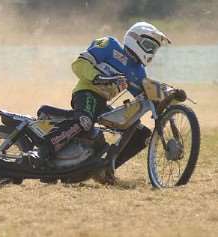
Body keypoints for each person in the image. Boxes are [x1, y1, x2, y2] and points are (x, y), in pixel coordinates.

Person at [37, 22, 181, 183]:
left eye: (154, 49)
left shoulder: (139, 71)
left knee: (142, 134)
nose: (151, 52)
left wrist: (173, 95)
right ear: (134, 39)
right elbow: (78, 64)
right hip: (86, 93)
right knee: (84, 122)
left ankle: (105, 169)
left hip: (103, 104)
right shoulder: (108, 44)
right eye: (148, 45)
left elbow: (149, 94)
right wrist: (97, 77)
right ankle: (44, 151)